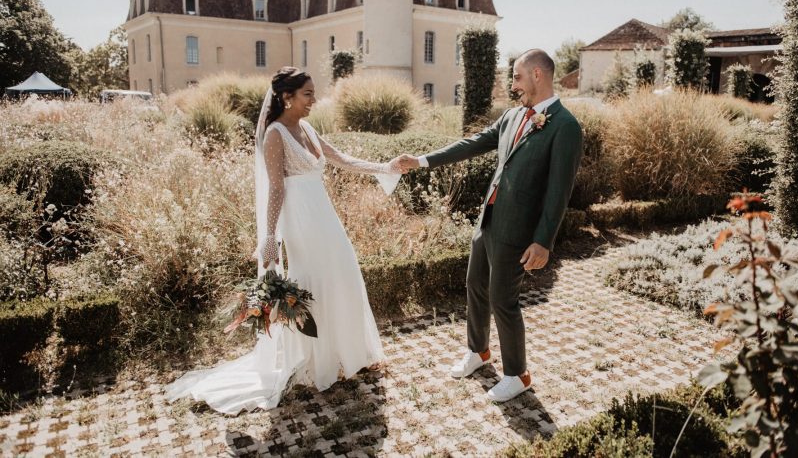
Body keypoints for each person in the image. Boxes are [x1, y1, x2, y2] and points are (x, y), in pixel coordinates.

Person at [166, 67, 402, 415]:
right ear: (286, 97)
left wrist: (385, 167)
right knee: (314, 284)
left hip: (324, 218)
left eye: (313, 93)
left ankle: (351, 355)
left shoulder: (305, 127)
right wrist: (270, 238)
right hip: (301, 223)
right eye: (307, 93)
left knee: (344, 275)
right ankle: (316, 363)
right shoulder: (275, 134)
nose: (313, 99)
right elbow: (275, 188)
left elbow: (340, 158)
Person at [396, 49, 583, 402]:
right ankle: (478, 352)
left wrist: (543, 241)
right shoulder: (513, 116)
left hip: (520, 230)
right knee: (475, 287)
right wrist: (421, 161)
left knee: (503, 301)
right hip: (489, 220)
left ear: (539, 75)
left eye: (517, 77)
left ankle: (517, 373)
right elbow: (473, 143)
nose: (514, 86)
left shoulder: (566, 126)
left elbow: (559, 192)